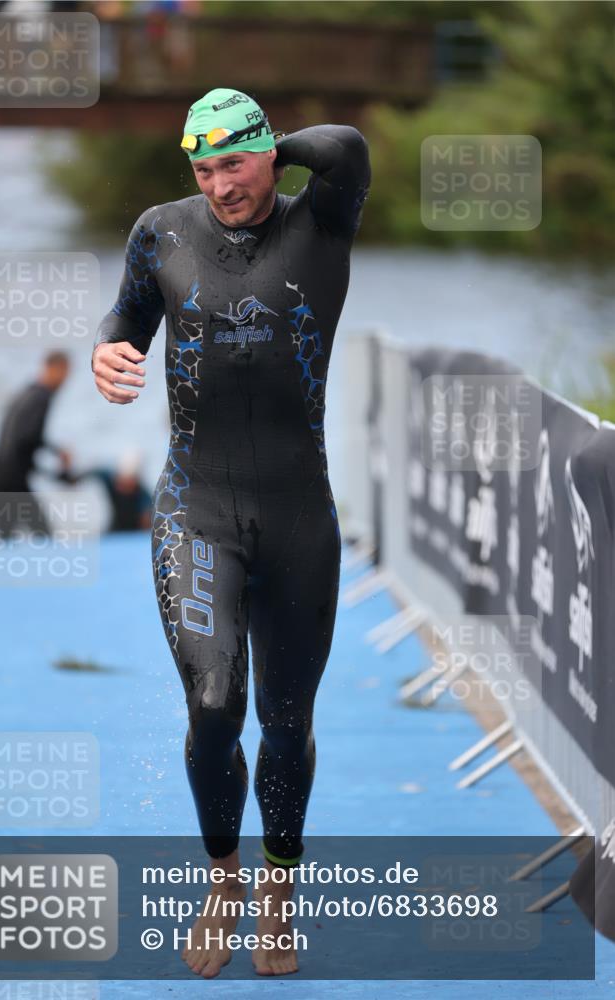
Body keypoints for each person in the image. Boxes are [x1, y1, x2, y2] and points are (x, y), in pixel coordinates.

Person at [92, 87, 370, 978]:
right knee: (215, 708)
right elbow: (128, 315)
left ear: (269, 155)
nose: (220, 185)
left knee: (286, 722)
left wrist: (270, 147)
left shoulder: (321, 222)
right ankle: (223, 883)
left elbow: (346, 143)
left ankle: (279, 895)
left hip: (299, 517)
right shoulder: (160, 231)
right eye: (202, 168)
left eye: (235, 163)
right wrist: (108, 349)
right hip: (195, 511)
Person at [0, 351, 71, 537]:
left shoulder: (28, 392)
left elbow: (20, 440)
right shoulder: (41, 397)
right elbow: (27, 438)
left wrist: (52, 470)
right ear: (53, 369)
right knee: (42, 533)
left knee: (8, 538)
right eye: (64, 373)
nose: (65, 380)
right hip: (10, 481)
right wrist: (58, 454)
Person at [60, 450, 153, 533]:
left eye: (129, 481)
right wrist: (71, 476)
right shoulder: (109, 478)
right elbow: (86, 473)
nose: (123, 485)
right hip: (114, 530)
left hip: (134, 533)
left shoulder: (144, 495)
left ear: (136, 480)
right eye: (122, 479)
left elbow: (146, 523)